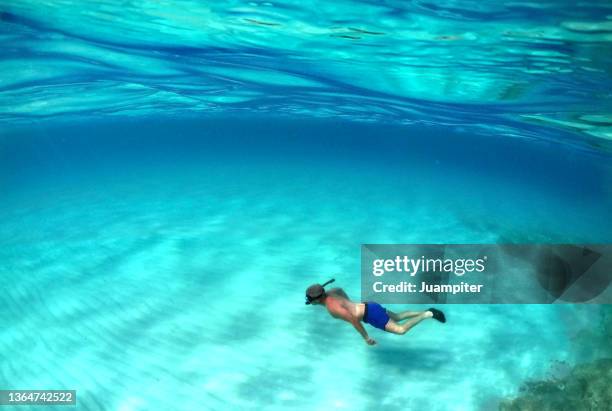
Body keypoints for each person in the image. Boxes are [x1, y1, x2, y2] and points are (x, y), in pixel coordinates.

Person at [305, 279, 445, 345]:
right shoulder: (332, 292)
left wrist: (366, 337)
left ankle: (428, 314)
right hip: (369, 306)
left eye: (311, 300)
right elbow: (340, 289)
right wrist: (350, 304)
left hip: (370, 315)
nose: (311, 303)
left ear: (316, 300)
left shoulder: (332, 309)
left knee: (401, 330)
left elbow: (353, 319)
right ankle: (426, 310)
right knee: (397, 316)